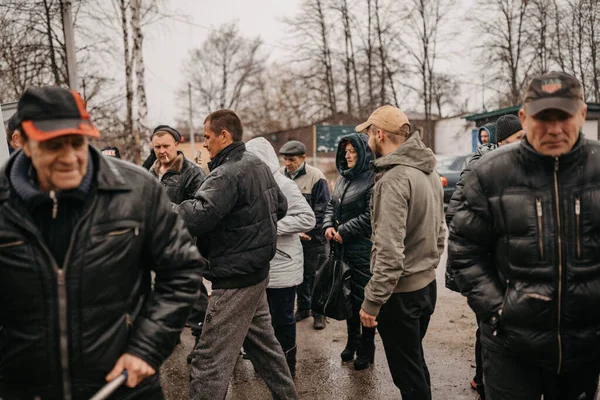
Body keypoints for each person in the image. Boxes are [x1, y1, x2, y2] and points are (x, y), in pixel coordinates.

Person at [0, 86, 203, 399]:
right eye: (54, 145)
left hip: (123, 387)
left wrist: (146, 348)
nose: (70, 157)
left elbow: (182, 270)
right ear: (22, 142)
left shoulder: (136, 189)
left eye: (77, 142)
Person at [449, 71, 600, 400]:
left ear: (583, 114)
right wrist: (499, 311)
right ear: (523, 118)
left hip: (584, 346)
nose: (555, 128)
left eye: (564, 116)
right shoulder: (489, 175)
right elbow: (464, 251)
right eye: (543, 118)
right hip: (510, 348)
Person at [177, 110, 299, 400]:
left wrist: (160, 206)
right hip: (256, 273)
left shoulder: (227, 173)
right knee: (267, 351)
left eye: (207, 137)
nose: (204, 144)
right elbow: (279, 206)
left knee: (207, 362)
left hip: (235, 280)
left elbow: (197, 218)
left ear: (224, 135)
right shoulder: (257, 164)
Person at [358, 105, 445, 400]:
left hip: (401, 295)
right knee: (415, 364)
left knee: (408, 377)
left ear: (379, 134)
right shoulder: (428, 171)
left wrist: (372, 302)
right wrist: (427, 265)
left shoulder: (394, 179)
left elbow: (389, 252)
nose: (367, 139)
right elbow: (440, 232)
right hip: (426, 287)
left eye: (369, 133)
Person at [445, 113, 524, 399]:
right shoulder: (478, 167)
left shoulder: (523, 165)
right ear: (501, 140)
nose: (522, 143)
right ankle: (482, 378)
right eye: (517, 139)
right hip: (490, 266)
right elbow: (455, 217)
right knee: (488, 325)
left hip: (512, 268)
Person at [246, 137, 316, 377]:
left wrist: (271, 227)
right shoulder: (250, 184)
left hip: (283, 264)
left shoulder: (284, 185)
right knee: (262, 322)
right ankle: (266, 366)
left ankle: (287, 368)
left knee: (283, 319)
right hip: (260, 266)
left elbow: (308, 218)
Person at [322, 132, 376, 370]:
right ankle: (352, 341)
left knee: (363, 299)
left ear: (363, 153)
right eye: (346, 152)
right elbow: (331, 207)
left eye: (353, 152)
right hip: (341, 247)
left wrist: (344, 229)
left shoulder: (373, 178)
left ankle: (367, 346)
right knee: (347, 296)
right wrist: (327, 226)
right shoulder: (342, 178)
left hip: (362, 248)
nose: (349, 155)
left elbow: (371, 215)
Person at [279, 140, 331, 330]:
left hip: (314, 238)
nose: (288, 164)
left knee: (317, 277)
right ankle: (303, 308)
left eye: (291, 159)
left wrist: (306, 230)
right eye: (285, 159)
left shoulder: (316, 177)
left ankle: (319, 314)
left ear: (303, 158)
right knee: (300, 275)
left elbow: (322, 209)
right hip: (295, 236)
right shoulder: (281, 176)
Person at [149, 125, 206, 204]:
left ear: (176, 145)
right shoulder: (151, 171)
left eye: (166, 146)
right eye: (157, 147)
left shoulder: (193, 172)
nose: (161, 151)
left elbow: (200, 208)